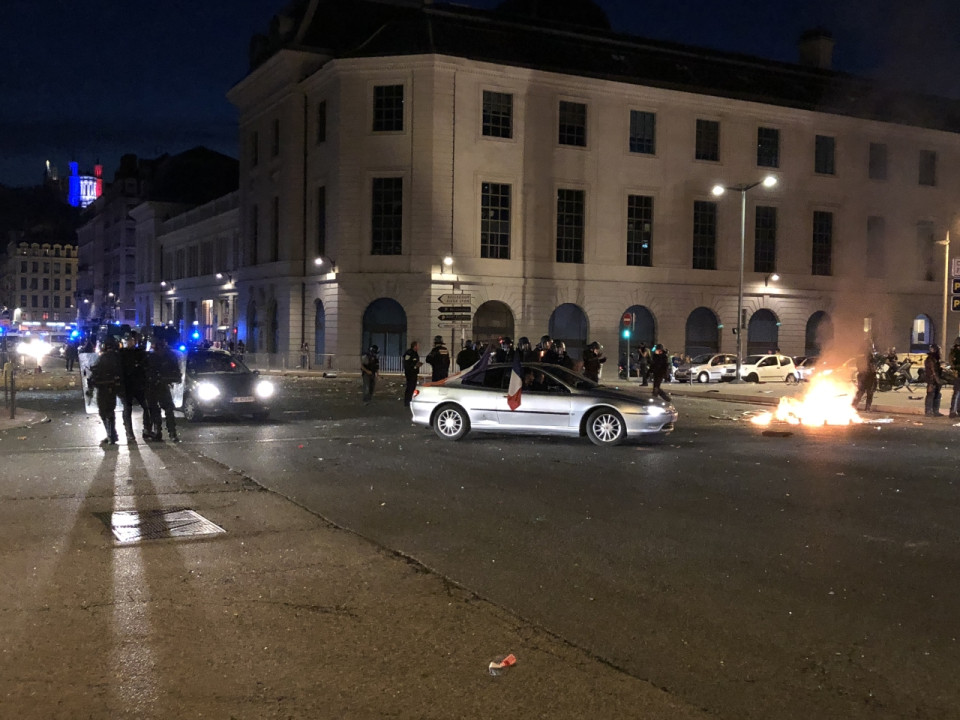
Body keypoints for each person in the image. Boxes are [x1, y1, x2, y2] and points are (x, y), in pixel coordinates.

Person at [145, 335, 181, 442]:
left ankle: (159, 432)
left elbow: (147, 371)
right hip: (163, 385)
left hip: (155, 385)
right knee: (167, 409)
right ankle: (171, 433)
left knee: (156, 410)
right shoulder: (169, 355)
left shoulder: (153, 356)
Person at [87, 336, 123, 446]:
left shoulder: (104, 357)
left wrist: (91, 386)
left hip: (104, 387)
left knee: (104, 412)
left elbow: (96, 372)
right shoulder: (118, 357)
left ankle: (111, 435)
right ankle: (112, 434)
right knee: (110, 411)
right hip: (113, 387)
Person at [119, 331, 151, 443]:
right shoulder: (121, 354)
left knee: (147, 407)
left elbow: (146, 367)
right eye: (129, 340)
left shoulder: (140, 352)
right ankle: (129, 433)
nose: (131, 342)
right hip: (127, 386)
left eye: (132, 340)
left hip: (139, 385)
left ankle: (147, 429)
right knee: (127, 409)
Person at [852, 346, 878, 413]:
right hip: (868, 377)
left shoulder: (860, 358)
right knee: (869, 393)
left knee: (860, 392)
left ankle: (854, 406)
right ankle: (867, 408)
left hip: (862, 376)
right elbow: (872, 369)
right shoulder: (869, 359)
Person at [924, 343, 944, 417]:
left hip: (935, 379)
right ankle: (929, 411)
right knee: (931, 395)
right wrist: (937, 380)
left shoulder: (936, 359)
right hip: (932, 380)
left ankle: (935, 411)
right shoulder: (931, 359)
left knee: (937, 395)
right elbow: (933, 371)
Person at [402, 340, 421, 407]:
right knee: (409, 387)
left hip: (414, 373)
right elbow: (406, 363)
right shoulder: (409, 353)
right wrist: (414, 366)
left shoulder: (415, 353)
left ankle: (411, 400)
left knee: (413, 387)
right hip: (410, 373)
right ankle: (407, 402)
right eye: (417, 346)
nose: (418, 347)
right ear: (414, 346)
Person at [949, 338, 960, 418]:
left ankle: (956, 410)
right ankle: (953, 411)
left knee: (957, 393)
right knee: (957, 393)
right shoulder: (955, 352)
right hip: (958, 374)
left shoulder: (954, 352)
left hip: (957, 374)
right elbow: (953, 364)